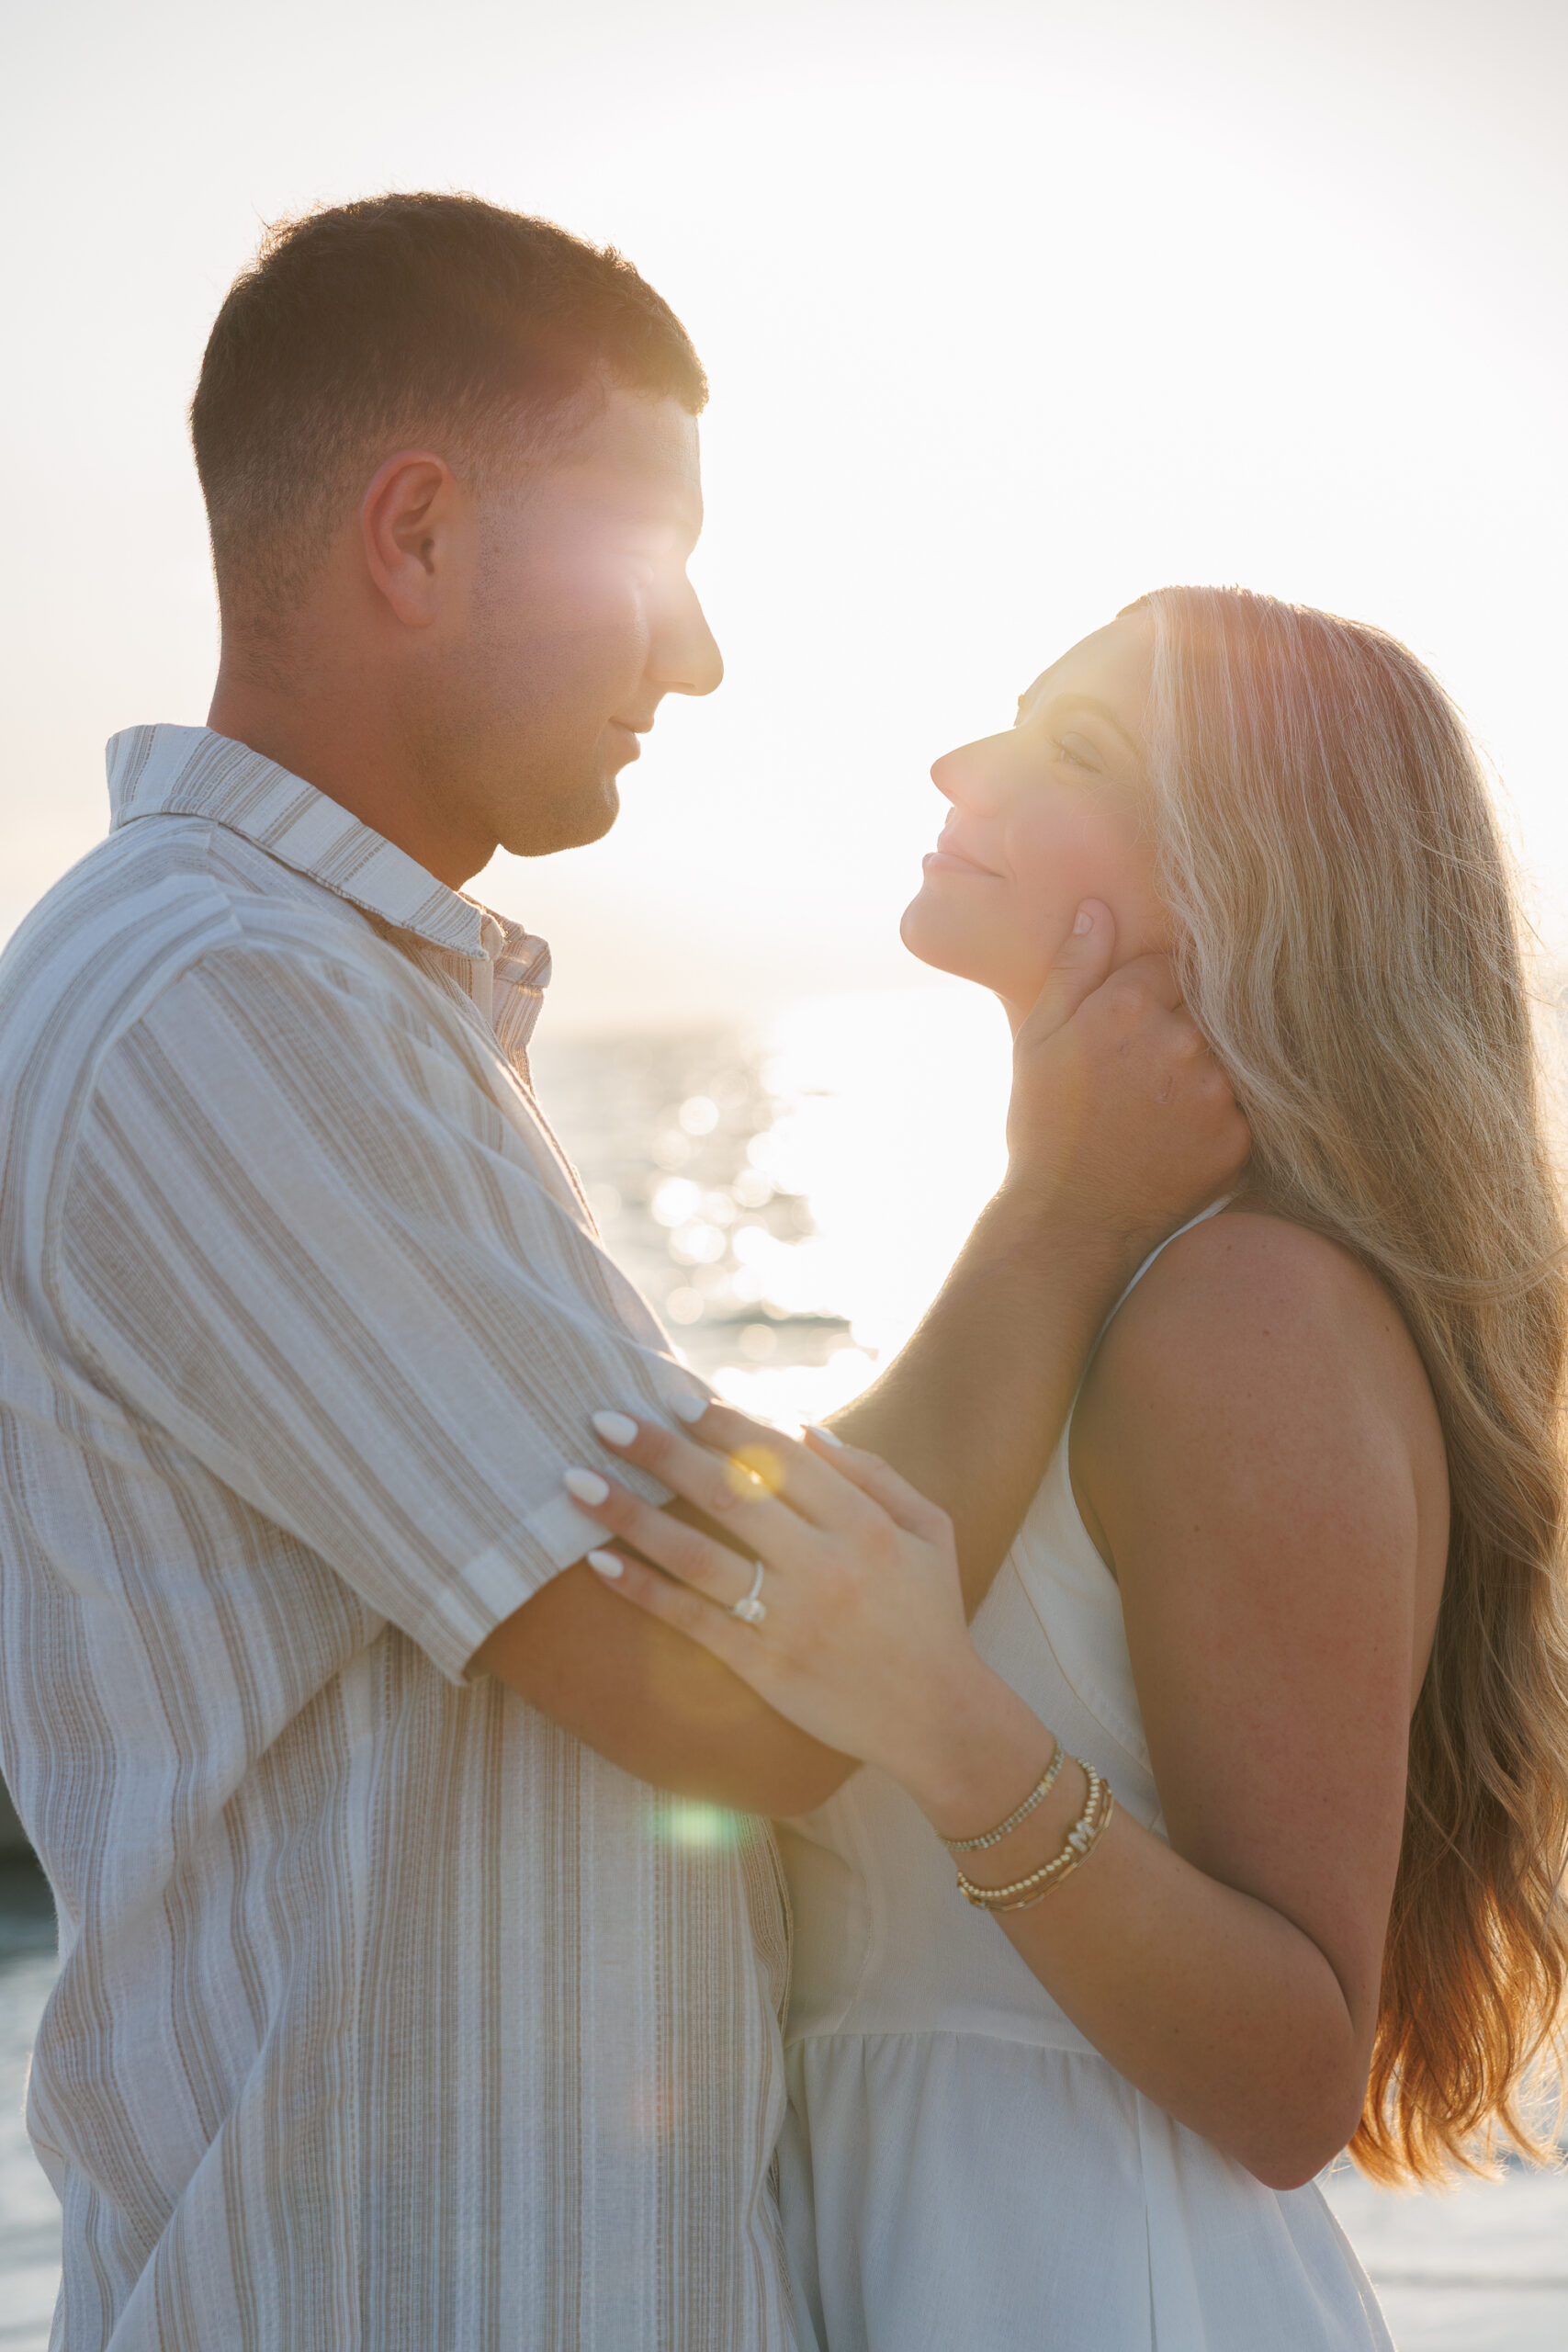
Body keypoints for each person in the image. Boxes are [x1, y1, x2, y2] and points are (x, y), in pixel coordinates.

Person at [0, 197, 1246, 2347]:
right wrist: (1061, 1205)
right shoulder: (228, 1005)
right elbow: (734, 1702)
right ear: (416, 534)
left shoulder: (323, 1003)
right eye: (653, 554)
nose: (698, 655)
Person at [570, 586, 1568, 2350]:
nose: (964, 762)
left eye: (1074, 748)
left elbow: (1294, 2077)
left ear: (1248, 891)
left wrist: (949, 1725)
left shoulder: (1248, 1310)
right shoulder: (1097, 1265)